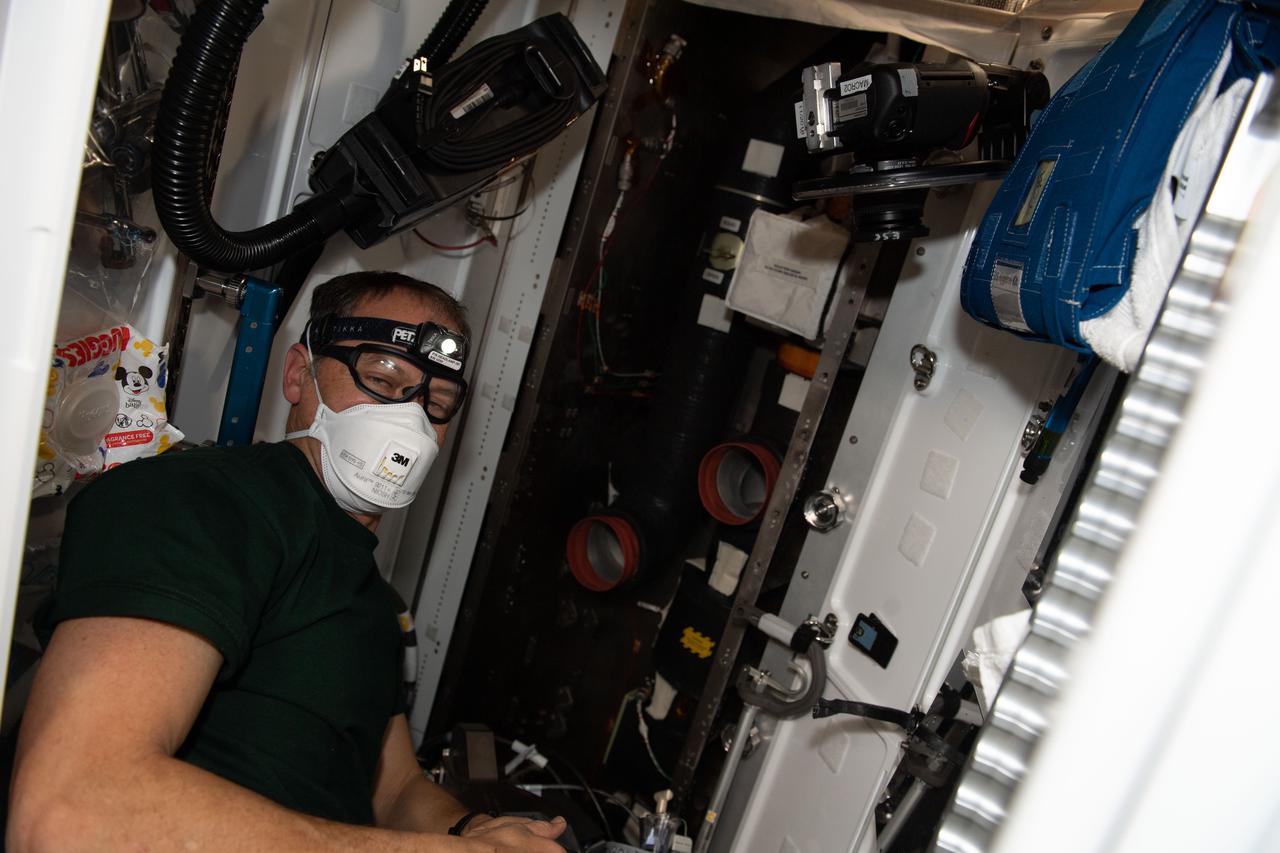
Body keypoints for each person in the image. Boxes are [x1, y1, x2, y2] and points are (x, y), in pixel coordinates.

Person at [7, 272, 567, 851]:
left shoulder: (372, 603)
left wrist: (474, 829)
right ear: (298, 375)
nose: (412, 421)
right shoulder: (201, 505)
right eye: (380, 378)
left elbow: (394, 787)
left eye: (439, 403)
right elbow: (71, 809)